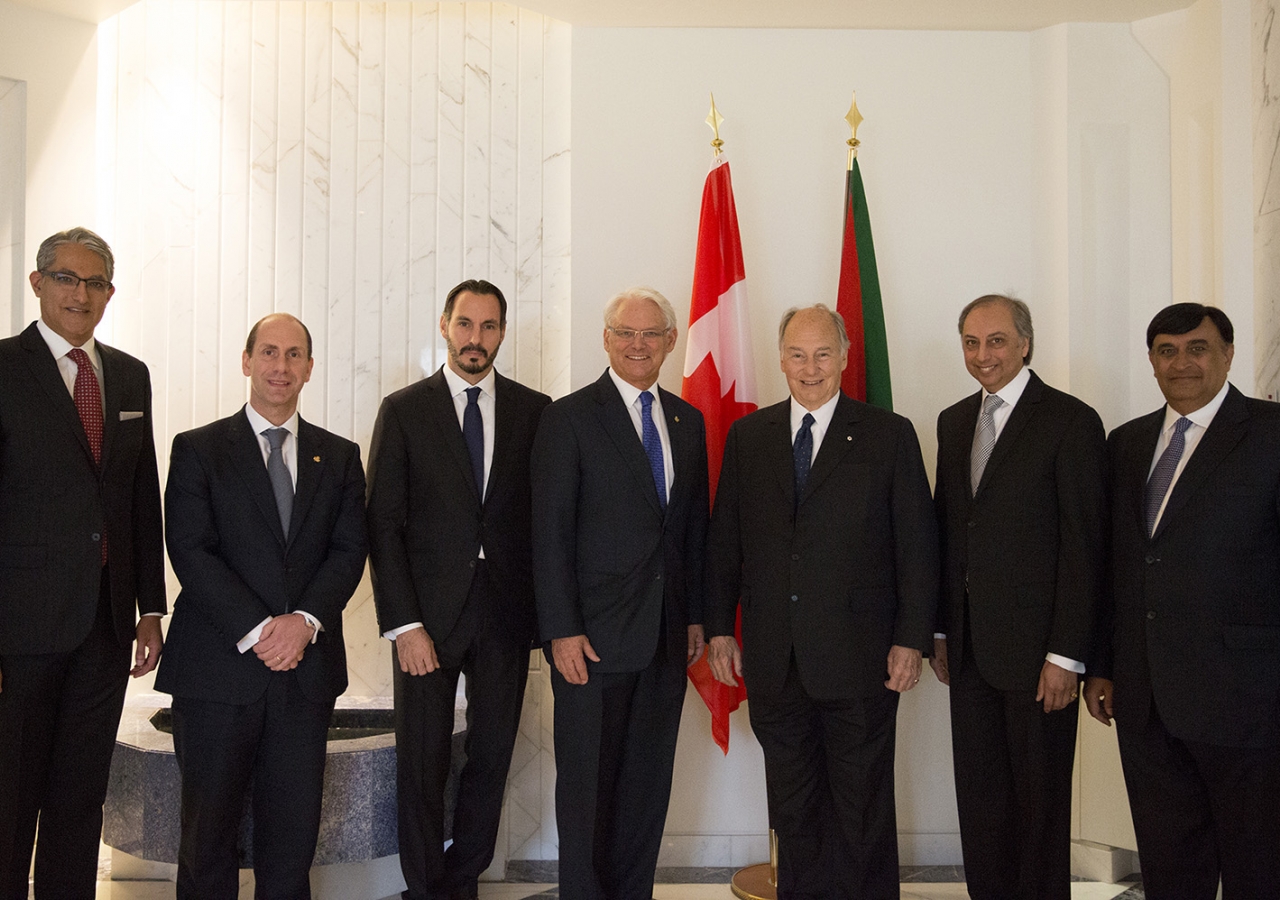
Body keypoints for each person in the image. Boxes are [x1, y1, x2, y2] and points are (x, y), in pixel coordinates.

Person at [706, 304, 937, 900]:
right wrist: (718, 628)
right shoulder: (749, 437)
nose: (810, 368)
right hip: (775, 661)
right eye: (797, 354)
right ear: (780, 358)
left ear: (845, 356)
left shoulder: (889, 434)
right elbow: (724, 541)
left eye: (823, 354)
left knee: (861, 811)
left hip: (861, 662)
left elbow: (917, 548)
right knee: (794, 811)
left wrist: (911, 639)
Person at [156, 313, 368, 900]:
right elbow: (190, 551)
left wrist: (303, 624)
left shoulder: (341, 456)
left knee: (292, 840)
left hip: (304, 673)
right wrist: (259, 629)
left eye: (294, 355)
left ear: (310, 368)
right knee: (207, 838)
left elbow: (350, 551)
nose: (282, 367)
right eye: (269, 353)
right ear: (246, 361)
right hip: (217, 671)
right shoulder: (198, 449)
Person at [1085, 303, 1280, 900]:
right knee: (1170, 868)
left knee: (1259, 865)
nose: (1182, 362)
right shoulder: (1126, 443)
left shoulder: (1272, 434)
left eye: (1198, 348)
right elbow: (1113, 565)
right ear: (1150, 362)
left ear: (1228, 354)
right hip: (1146, 702)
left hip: (1248, 696)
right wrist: (1103, 665)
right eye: (1166, 351)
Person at [367, 280, 550, 900]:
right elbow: (382, 525)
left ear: (502, 332)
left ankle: (461, 882)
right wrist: (403, 623)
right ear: (444, 325)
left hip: (504, 615)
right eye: (466, 324)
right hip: (426, 623)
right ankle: (423, 888)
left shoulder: (535, 410)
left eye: (490, 326)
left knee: (491, 759)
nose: (477, 338)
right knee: (422, 763)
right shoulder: (404, 409)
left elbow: (543, 525)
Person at [0, 227, 166, 899]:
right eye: (66, 278)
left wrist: (150, 608)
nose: (81, 294)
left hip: (105, 628)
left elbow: (139, 498)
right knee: (11, 800)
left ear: (110, 294)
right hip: (20, 631)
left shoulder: (128, 375)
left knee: (78, 799)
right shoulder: (4, 369)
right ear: (38, 283)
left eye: (94, 283)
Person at [531, 286, 708, 900]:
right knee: (586, 790)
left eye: (651, 334)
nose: (639, 344)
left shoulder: (688, 421)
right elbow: (548, 532)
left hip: (664, 639)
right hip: (592, 640)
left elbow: (689, 530)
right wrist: (559, 628)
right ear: (605, 339)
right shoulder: (570, 416)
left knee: (645, 788)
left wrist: (693, 618)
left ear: (670, 341)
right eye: (626, 333)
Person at [931, 294, 1107, 900]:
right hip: (969, 650)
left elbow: (1085, 549)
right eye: (973, 343)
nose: (984, 355)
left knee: (1039, 809)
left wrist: (1067, 656)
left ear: (1025, 343)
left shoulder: (1070, 421)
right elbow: (949, 531)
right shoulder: (953, 421)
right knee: (981, 804)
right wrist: (939, 631)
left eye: (998, 341)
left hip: (1040, 660)